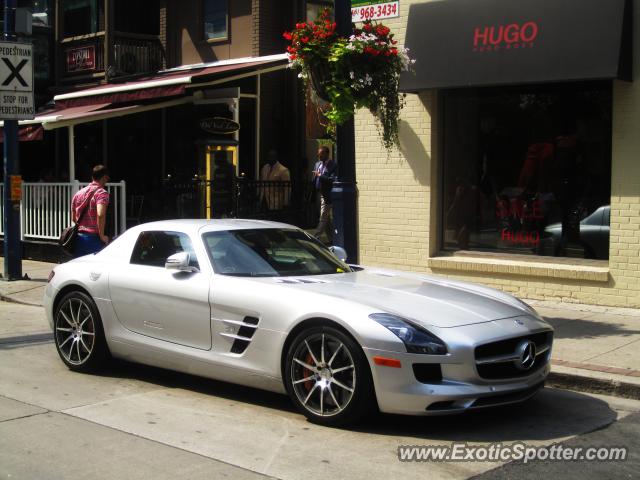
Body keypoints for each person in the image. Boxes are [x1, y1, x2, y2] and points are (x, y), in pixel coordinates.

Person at [71, 165, 110, 257]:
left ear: (93, 177)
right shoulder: (102, 193)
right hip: (94, 239)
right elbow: (100, 214)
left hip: (79, 239)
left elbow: (73, 218)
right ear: (104, 177)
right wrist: (102, 236)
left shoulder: (78, 193)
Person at [313, 145, 337, 243]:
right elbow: (315, 177)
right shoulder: (317, 164)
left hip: (327, 194)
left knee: (323, 216)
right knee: (326, 217)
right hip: (318, 192)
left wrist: (320, 176)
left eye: (321, 154)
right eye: (319, 154)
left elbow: (332, 180)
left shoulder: (333, 165)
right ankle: (332, 238)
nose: (319, 156)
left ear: (327, 154)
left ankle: (315, 238)